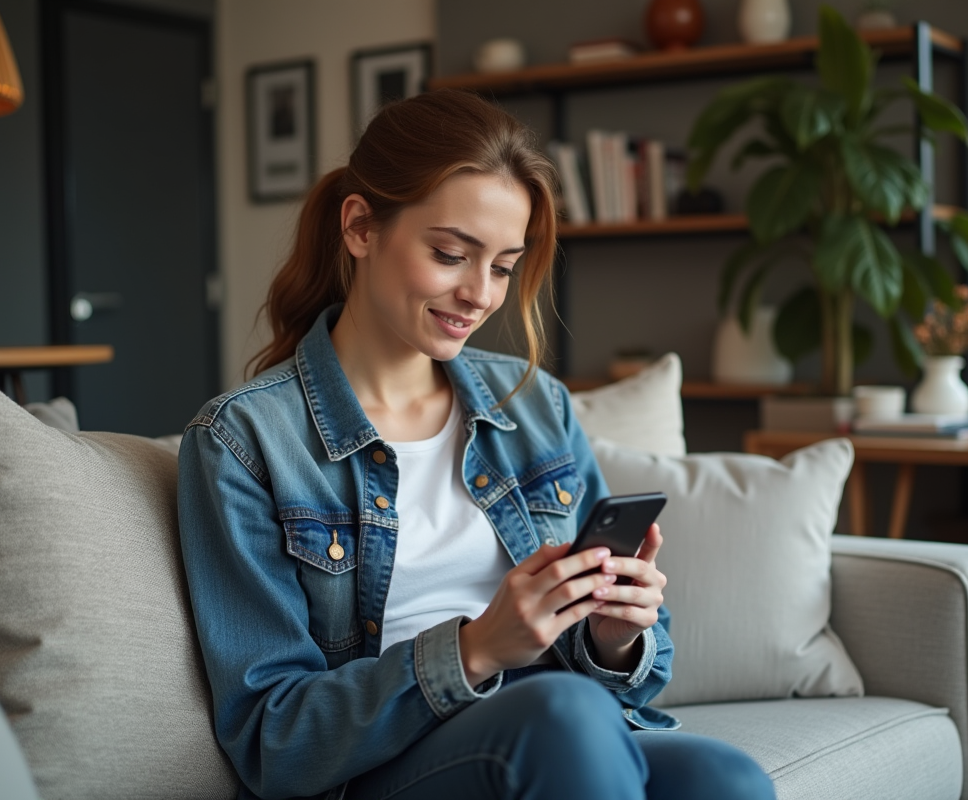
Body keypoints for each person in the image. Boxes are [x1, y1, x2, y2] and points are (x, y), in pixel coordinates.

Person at [177, 89, 774, 800]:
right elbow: (273, 738)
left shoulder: (535, 405)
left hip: (560, 731)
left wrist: (613, 636)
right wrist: (476, 649)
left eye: (502, 266)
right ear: (361, 227)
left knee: (725, 778)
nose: (480, 295)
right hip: (385, 767)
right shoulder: (243, 441)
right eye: (451, 254)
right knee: (564, 715)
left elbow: (638, 668)